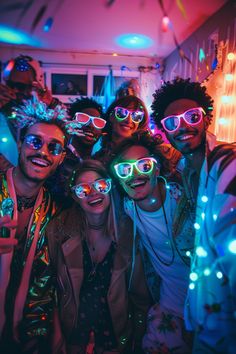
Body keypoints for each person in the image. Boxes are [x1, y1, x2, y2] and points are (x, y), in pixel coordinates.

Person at [151, 77, 236, 353]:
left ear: (207, 118)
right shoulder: (186, 172)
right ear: (164, 132)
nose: (183, 125)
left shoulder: (226, 162)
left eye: (191, 116)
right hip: (204, 321)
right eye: (172, 122)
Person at [46, 159, 150, 354]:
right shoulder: (58, 231)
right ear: (75, 197)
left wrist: (135, 342)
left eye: (100, 185)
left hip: (115, 343)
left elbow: (140, 300)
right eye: (83, 190)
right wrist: (56, 334)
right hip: (71, 342)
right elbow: (49, 289)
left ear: (110, 188)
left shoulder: (130, 234)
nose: (93, 193)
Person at [108, 132, 194, 354]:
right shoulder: (125, 210)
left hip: (212, 305)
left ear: (157, 168)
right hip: (169, 308)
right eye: (125, 169)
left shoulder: (189, 200)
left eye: (144, 165)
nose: (135, 174)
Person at [0, 95, 69, 354]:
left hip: (23, 338)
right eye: (34, 141)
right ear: (19, 144)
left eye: (54, 148)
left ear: (61, 158)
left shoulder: (56, 212)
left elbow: (47, 283)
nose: (42, 152)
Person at [95, 95, 150, 164]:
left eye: (136, 116)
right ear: (111, 116)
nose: (129, 120)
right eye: (122, 113)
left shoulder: (143, 155)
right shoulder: (98, 150)